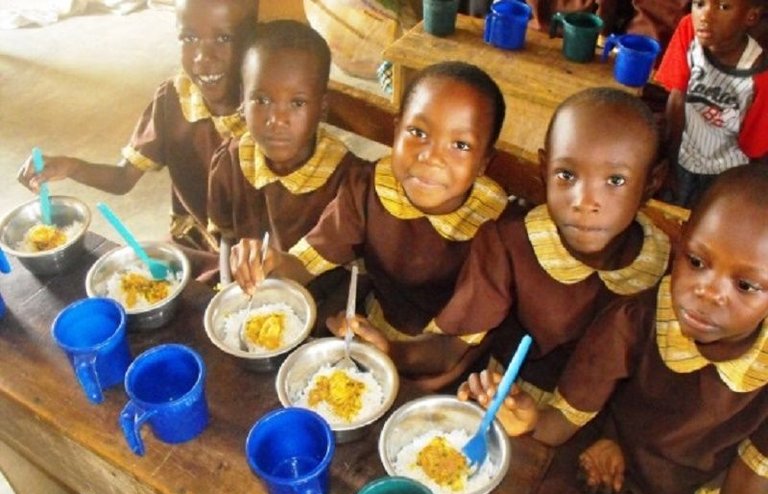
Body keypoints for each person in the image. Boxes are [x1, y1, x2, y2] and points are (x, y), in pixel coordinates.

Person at [464, 163, 768, 494]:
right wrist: (529, 420)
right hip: (619, 474)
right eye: (696, 261)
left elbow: (747, 484)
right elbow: (565, 418)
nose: (707, 291)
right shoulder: (635, 319)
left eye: (746, 286)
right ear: (680, 242)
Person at [230, 61, 509, 387]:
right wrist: (273, 261)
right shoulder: (372, 186)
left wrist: (391, 351)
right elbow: (307, 263)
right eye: (417, 133)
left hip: (444, 366)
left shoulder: (495, 232)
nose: (431, 157)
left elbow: (451, 349)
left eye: (460, 145)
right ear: (396, 131)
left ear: (483, 164)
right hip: (372, 327)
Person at [430, 87, 671, 405]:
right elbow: (453, 343)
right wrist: (390, 349)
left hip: (591, 427)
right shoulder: (512, 242)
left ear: (651, 184)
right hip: (502, 396)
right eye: (567, 175)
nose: (585, 202)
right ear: (544, 170)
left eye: (615, 181)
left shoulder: (669, 276)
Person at [17, 0, 258, 282]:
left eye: (223, 38)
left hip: (255, 258)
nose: (202, 56)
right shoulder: (173, 99)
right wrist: (73, 167)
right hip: (194, 244)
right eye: (189, 38)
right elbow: (123, 179)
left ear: (253, 39)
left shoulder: (273, 111)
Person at [207, 19, 365, 259]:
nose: (277, 119)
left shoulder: (345, 178)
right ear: (242, 98)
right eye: (262, 100)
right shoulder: (231, 161)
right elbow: (224, 238)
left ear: (322, 108)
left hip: (324, 291)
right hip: (250, 288)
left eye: (297, 103)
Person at [655, 0, 768, 209]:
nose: (705, 16)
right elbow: (677, 99)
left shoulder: (759, 76)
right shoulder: (689, 29)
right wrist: (669, 160)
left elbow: (755, 148)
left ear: (750, 17)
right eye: (699, 3)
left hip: (725, 171)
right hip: (681, 152)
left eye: (723, 7)